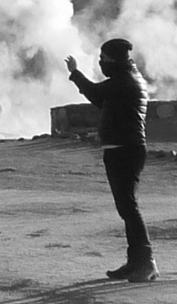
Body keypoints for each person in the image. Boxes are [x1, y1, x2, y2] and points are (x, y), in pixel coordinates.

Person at [65, 38, 154, 281]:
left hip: (125, 149)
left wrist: (75, 73)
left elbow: (95, 93)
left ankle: (146, 262)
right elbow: (100, 98)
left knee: (129, 208)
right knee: (127, 208)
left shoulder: (124, 81)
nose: (101, 63)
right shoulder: (128, 78)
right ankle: (135, 260)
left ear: (113, 60)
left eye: (103, 58)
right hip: (124, 148)